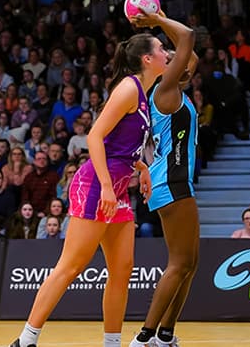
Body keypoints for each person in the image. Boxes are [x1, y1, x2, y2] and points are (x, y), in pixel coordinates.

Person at [11, 32, 165, 347]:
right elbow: (95, 136)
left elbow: (121, 147)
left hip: (117, 188)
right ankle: (25, 340)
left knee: (122, 270)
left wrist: (142, 168)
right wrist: (106, 187)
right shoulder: (128, 88)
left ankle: (111, 343)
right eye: (162, 49)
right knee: (71, 266)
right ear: (147, 59)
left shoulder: (143, 94)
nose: (167, 53)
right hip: (96, 184)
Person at [129, 9, 199, 347]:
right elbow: (188, 37)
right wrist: (158, 19)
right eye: (162, 50)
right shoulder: (163, 90)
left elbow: (191, 55)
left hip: (172, 180)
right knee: (179, 263)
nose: (169, 52)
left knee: (190, 264)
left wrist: (162, 22)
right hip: (171, 180)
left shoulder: (172, 87)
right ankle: (144, 337)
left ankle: (166, 334)